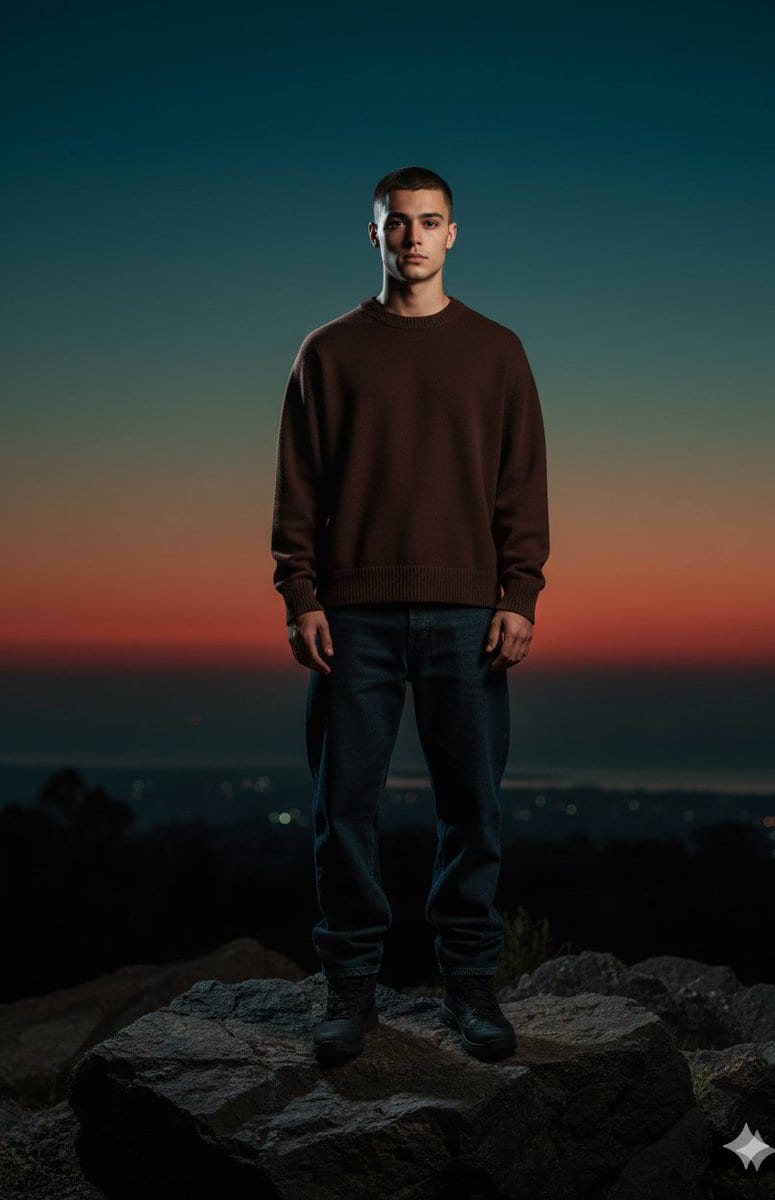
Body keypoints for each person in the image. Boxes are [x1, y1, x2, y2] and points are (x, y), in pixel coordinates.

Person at [271, 165, 550, 1064]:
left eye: (431, 223)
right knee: (342, 808)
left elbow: (522, 486)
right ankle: (350, 989)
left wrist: (521, 593)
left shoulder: (498, 350)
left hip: (469, 618)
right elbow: (298, 488)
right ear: (375, 233)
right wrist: (301, 595)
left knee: (472, 810)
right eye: (399, 223)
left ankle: (471, 988)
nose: (415, 238)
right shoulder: (328, 351)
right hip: (353, 620)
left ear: (454, 235)